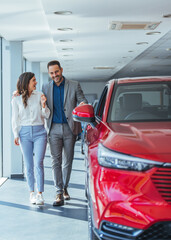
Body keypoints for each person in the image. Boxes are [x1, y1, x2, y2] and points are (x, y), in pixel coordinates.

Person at [42, 60, 88, 206]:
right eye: (51, 73)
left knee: (68, 161)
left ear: (61, 69)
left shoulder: (74, 85)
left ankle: (65, 187)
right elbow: (34, 98)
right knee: (56, 161)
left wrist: (82, 104)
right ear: (49, 73)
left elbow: (83, 100)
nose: (54, 75)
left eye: (56, 71)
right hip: (53, 128)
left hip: (70, 128)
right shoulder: (45, 87)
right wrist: (18, 93)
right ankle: (58, 192)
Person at [11, 72, 50, 205]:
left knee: (38, 163)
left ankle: (40, 194)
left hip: (40, 132)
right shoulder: (16, 99)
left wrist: (44, 105)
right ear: (27, 82)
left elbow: (47, 115)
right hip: (24, 134)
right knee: (28, 165)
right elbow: (14, 118)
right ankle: (31, 193)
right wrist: (15, 134)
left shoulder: (39, 95)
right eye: (33, 80)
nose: (36, 82)